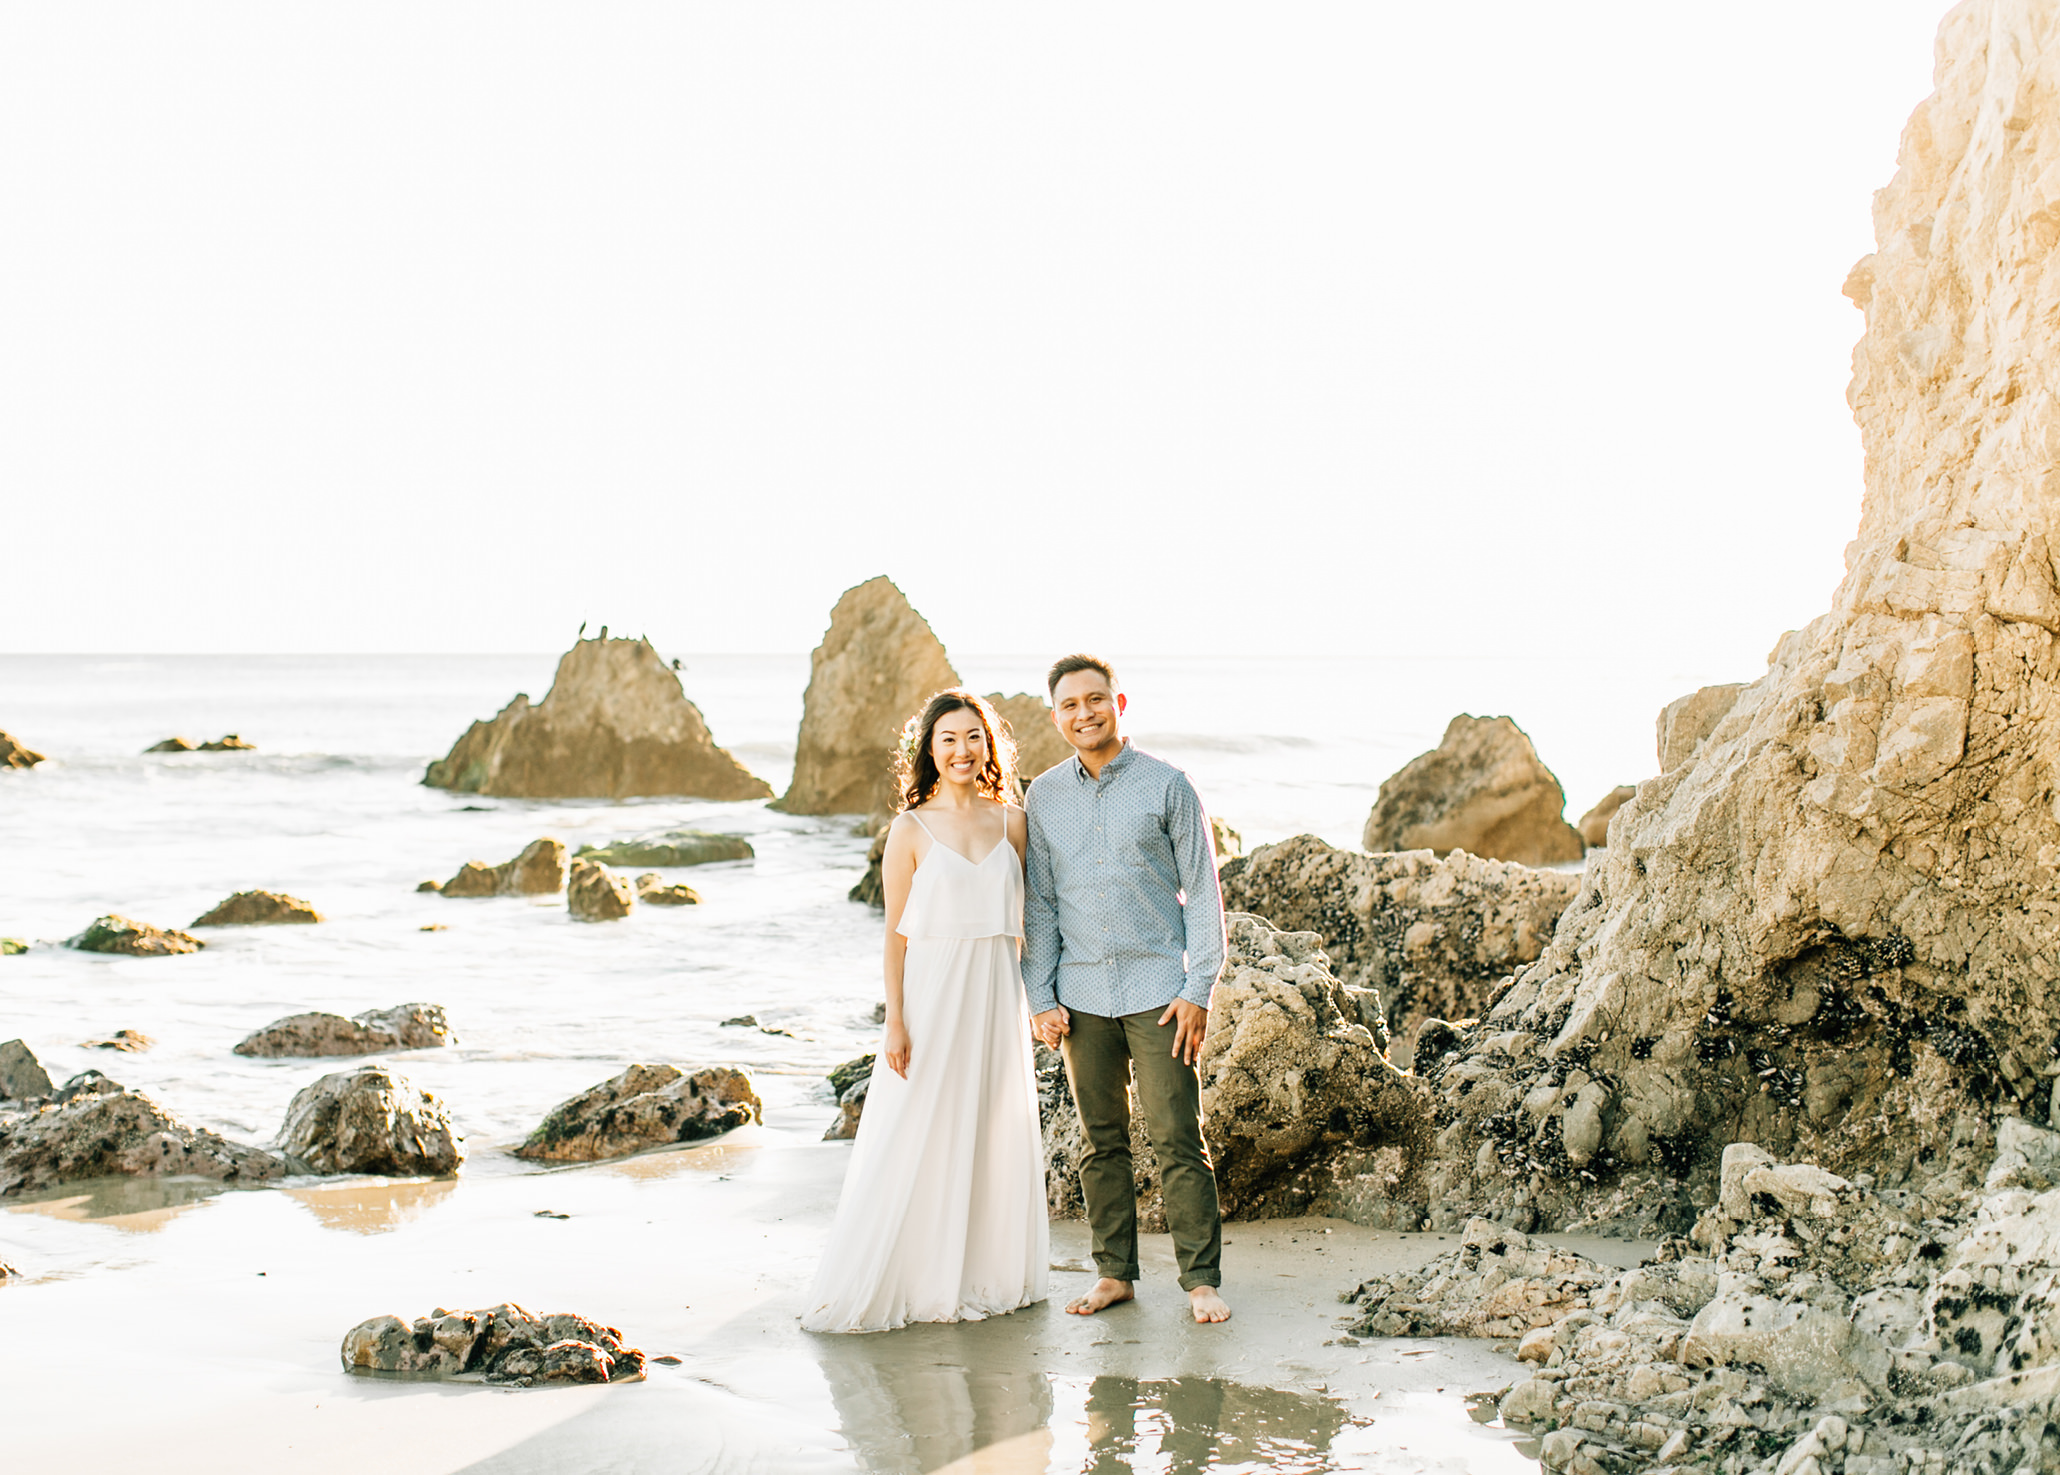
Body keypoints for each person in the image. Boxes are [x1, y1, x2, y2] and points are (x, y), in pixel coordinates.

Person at [800, 689, 1049, 1333]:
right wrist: (896, 1020)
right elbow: (895, 936)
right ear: (929, 750)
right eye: (948, 739)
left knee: (991, 1126)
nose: (962, 750)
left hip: (997, 991)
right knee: (921, 1127)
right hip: (933, 993)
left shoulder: (1013, 821)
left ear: (988, 746)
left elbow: (1037, 919)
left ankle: (986, 1271)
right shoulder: (908, 830)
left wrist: (1042, 1000)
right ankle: (918, 1273)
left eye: (973, 737)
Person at [1024, 654, 1231, 1324]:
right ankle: (1114, 1273)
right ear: (1055, 715)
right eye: (1069, 704)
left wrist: (1199, 985)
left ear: (1119, 702)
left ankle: (1200, 1279)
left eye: (1095, 699)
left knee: (1177, 1136)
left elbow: (1203, 893)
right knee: (1100, 1142)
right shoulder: (1043, 796)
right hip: (1081, 997)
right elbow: (1041, 906)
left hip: (1158, 992)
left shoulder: (1169, 786)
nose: (1083, 713)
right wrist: (1040, 995)